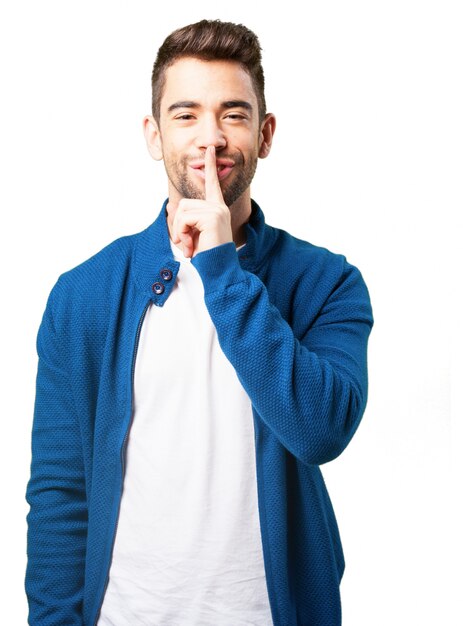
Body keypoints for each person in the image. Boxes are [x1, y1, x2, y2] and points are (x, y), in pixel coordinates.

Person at [25, 19, 373, 626]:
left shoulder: (327, 283)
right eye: (185, 115)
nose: (209, 137)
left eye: (233, 114)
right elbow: (61, 494)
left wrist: (221, 268)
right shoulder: (83, 296)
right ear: (153, 135)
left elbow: (320, 431)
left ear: (264, 135)